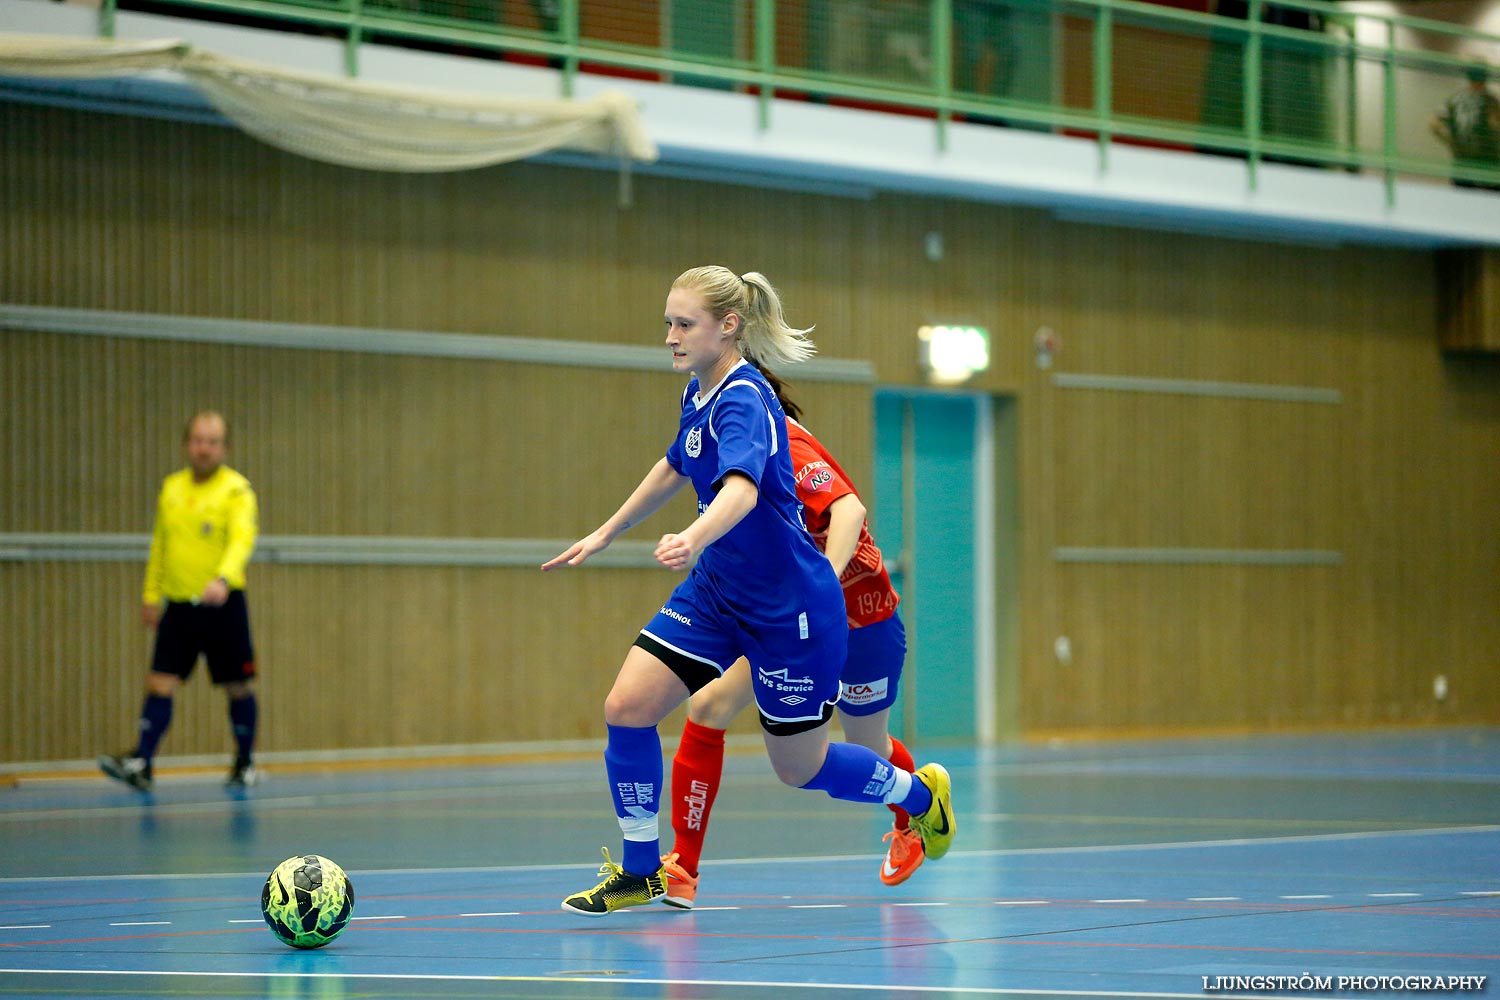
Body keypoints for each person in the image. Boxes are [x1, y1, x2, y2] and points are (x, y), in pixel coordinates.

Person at [542, 266, 955, 917]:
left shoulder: (745, 400)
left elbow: (744, 489)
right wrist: (606, 530)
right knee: (627, 706)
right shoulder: (699, 390)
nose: (671, 337)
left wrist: (695, 535)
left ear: (728, 326)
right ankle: (644, 870)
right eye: (668, 324)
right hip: (718, 593)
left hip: (787, 609)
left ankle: (918, 799)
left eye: (684, 324)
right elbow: (677, 462)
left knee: (802, 768)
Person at [658, 364, 923, 909]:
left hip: (859, 616)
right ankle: (683, 867)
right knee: (707, 706)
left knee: (866, 744)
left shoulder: (786, 445)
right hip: (780, 619)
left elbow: (850, 509)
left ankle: (915, 814)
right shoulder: (726, 454)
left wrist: (822, 581)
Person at [99, 411, 261, 792]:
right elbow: (160, 545)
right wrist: (150, 594)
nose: (205, 448)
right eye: (198, 440)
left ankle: (245, 762)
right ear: (187, 444)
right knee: (159, 682)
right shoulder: (172, 488)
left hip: (223, 605)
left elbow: (242, 539)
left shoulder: (236, 490)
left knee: (237, 685)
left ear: (225, 447)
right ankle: (143, 761)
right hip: (179, 606)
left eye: (213, 441)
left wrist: (222, 577)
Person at [1430, 64, 1500, 191]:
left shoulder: (1454, 100)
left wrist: (1452, 142)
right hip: (1488, 161)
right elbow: (1495, 124)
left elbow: (1435, 125)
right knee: (1491, 203)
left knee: (1463, 201)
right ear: (1485, 79)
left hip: (1463, 160)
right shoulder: (1491, 100)